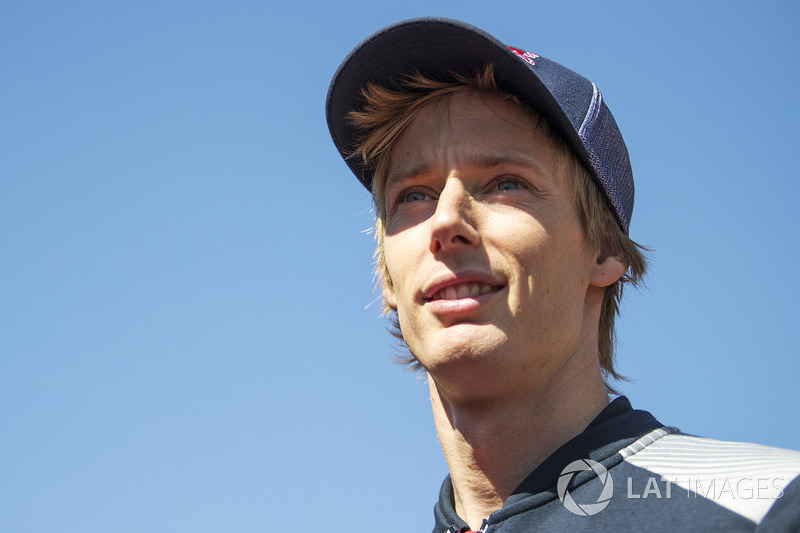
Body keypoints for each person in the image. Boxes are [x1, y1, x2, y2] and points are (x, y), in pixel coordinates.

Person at [325, 18, 800, 532]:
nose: (445, 222)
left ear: (604, 250)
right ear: (389, 280)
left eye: (506, 184)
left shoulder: (770, 506)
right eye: (413, 195)